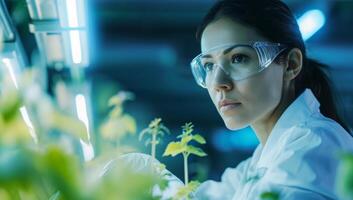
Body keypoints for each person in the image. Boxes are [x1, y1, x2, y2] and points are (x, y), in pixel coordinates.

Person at [120, 0, 353, 199]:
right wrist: (139, 172)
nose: (218, 82)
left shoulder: (313, 146)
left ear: (291, 64)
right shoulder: (260, 160)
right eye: (209, 66)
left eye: (239, 58)